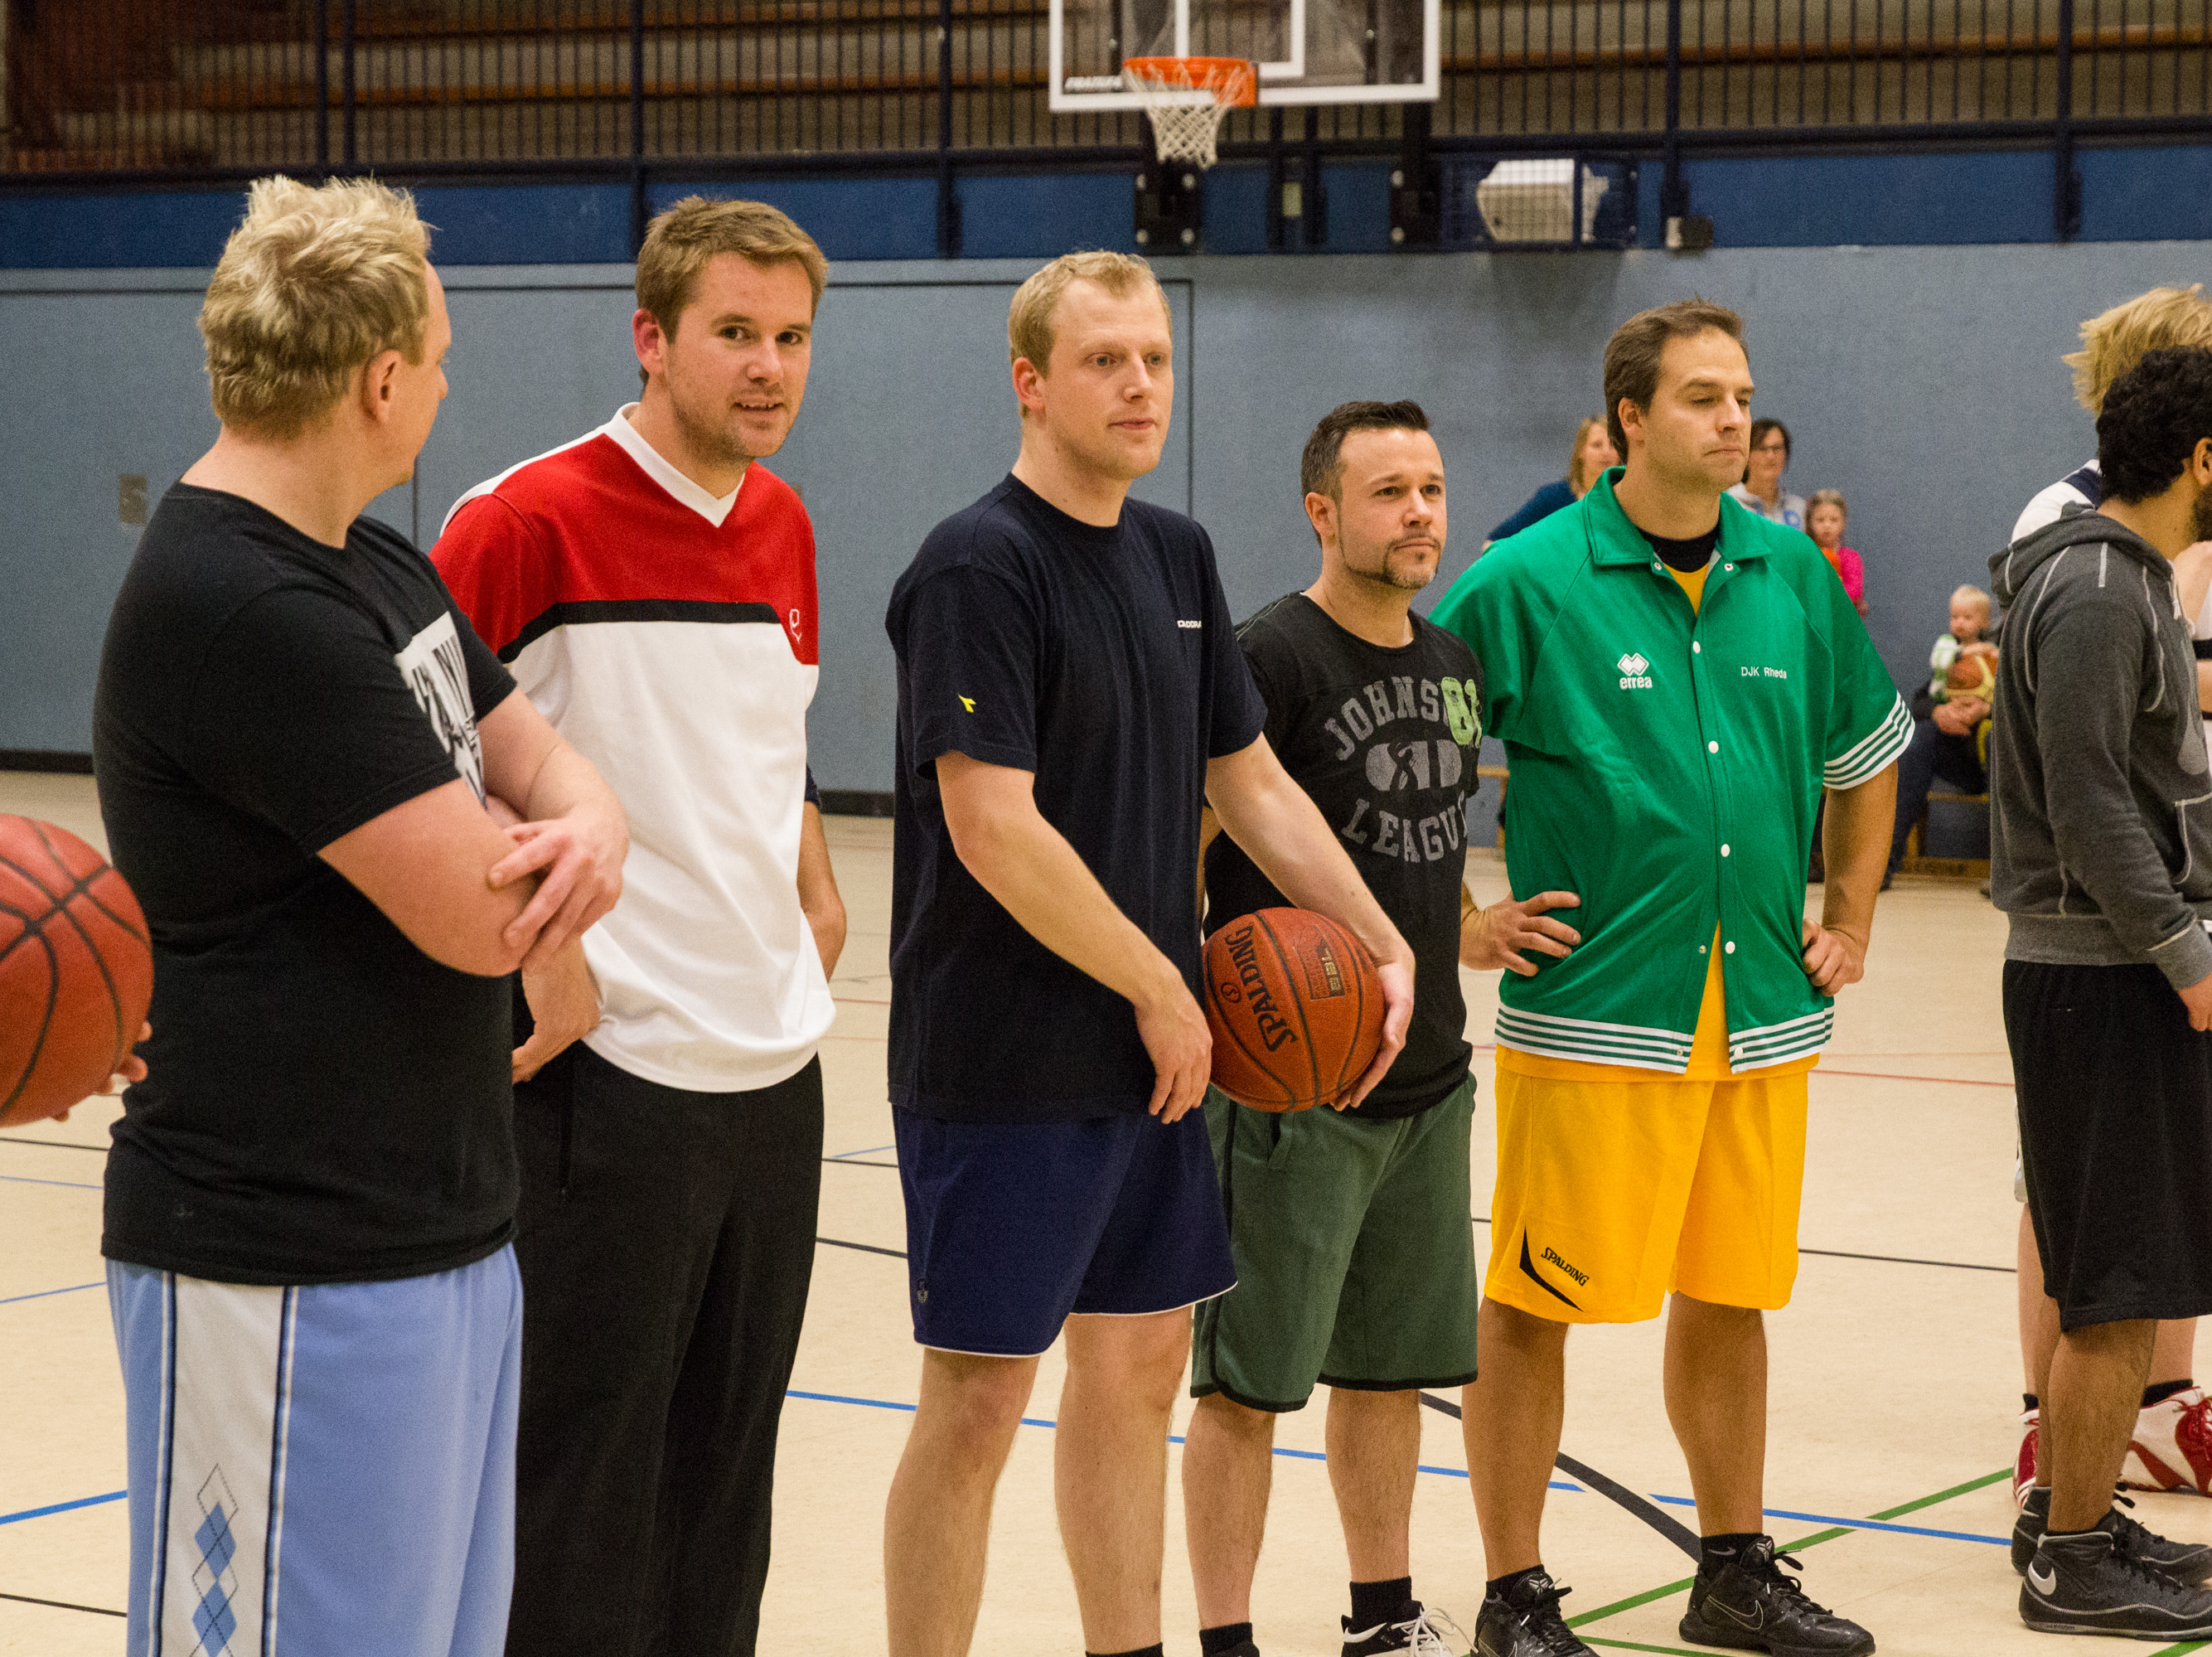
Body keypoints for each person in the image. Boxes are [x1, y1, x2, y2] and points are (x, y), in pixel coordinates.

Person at [87, 177, 628, 1657]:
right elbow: (479, 913)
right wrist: (564, 853)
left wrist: (583, 826)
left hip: (439, 1222)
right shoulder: (238, 602)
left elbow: (549, 767)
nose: (448, 385)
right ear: (381, 381)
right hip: (276, 1253)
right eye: (438, 360)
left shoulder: (373, 557)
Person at [879, 251, 1418, 1657]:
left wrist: (1376, 937)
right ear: (1029, 380)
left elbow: (1251, 780)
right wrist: (1159, 979)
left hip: (1150, 1057)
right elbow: (991, 826)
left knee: (1135, 1368)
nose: (1138, 384)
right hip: (1003, 1054)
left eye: (1155, 359)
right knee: (977, 1399)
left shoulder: (1175, 553)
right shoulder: (974, 563)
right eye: (1103, 359)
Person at [1434, 299, 1905, 1657]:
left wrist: (1849, 915)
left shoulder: (1789, 572)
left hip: (1755, 1013)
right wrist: (1460, 916)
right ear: (1627, 420)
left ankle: (1732, 1568)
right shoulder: (1523, 578)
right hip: (1596, 1015)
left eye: (1740, 395)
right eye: (1701, 396)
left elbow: (1865, 751)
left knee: (1730, 1292)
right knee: (1533, 1301)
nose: (1732, 419)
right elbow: (1403, 744)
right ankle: (1512, 1593)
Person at [431, 197, 845, 1657]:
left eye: (790, 336)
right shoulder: (518, 521)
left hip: (774, 1074)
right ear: (650, 338)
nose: (768, 366)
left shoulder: (784, 523)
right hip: (606, 1078)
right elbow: (421, 763)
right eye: (734, 332)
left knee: (725, 1487)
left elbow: (764, 739)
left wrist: (810, 879)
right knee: (581, 1486)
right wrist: (541, 946)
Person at [1182, 401, 1578, 1657]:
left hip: (1428, 1078)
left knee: (1388, 1374)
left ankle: (1382, 1614)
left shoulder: (1451, 662)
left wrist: (1466, 925)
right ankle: (1226, 1638)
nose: (1419, 513)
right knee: (1246, 1385)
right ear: (1322, 512)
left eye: (1432, 489)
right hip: (1293, 1091)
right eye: (1388, 491)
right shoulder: (1268, 656)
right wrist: (1191, 987)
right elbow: (1194, 837)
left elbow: (1417, 841)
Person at [2005, 284, 2212, 1511]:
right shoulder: (2071, 530)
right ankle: (2055, 1429)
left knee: (2193, 1171)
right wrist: (2195, 654)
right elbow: (2092, 735)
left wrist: (2182, 667)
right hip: (2109, 915)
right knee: (2069, 1184)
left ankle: (2162, 1411)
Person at [1887, 585, 1997, 876]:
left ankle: (2008, 869)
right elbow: (1919, 702)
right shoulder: (1948, 659)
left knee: (1996, 737)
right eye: (1955, 616)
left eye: (1968, 617)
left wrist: (1986, 709)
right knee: (1920, 736)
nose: (1960, 623)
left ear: (1984, 621)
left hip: (1992, 757)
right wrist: (1940, 711)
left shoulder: (1996, 654)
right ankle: (1885, 862)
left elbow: (2023, 704)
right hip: (1958, 757)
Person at [1486, 416, 1617, 542]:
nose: (1606, 452)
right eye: (1597, 445)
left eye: (1612, 444)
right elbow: (1494, 541)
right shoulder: (1553, 497)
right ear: (1581, 451)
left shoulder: (1625, 500)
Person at [1727, 417, 1804, 528]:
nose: (1770, 456)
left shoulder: (1799, 508)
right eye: (1762, 449)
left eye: (1776, 448)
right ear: (1747, 455)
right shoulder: (1729, 505)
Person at [1802, 489, 1866, 614]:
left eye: (1834, 520)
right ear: (1810, 522)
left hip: (1842, 619)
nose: (1827, 525)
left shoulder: (1851, 557)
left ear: (1843, 523)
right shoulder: (1806, 556)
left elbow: (1854, 591)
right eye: (1820, 520)